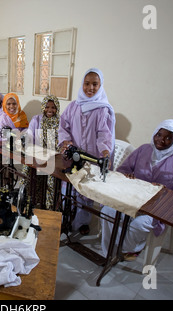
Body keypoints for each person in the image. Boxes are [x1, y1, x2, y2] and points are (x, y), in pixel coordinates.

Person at [100, 119, 173, 261]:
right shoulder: (144, 149)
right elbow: (123, 169)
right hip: (133, 198)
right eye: (159, 135)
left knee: (138, 224)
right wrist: (127, 175)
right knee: (107, 212)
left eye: (168, 138)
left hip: (159, 207)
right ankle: (109, 250)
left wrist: (165, 193)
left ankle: (129, 249)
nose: (161, 140)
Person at [58, 68, 116, 235]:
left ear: (101, 85)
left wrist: (105, 151)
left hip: (91, 157)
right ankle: (66, 219)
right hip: (73, 156)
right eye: (87, 83)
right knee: (67, 189)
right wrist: (65, 140)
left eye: (95, 84)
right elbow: (63, 125)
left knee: (86, 192)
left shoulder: (102, 109)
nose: (90, 88)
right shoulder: (73, 106)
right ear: (82, 84)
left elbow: (104, 134)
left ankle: (82, 222)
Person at [20, 95, 60, 209]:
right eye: (47, 107)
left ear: (57, 108)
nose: (50, 110)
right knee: (27, 173)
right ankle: (25, 200)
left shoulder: (60, 122)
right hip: (36, 156)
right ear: (43, 107)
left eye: (53, 107)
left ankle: (48, 208)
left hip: (52, 159)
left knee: (51, 181)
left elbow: (62, 142)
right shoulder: (36, 119)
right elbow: (29, 136)